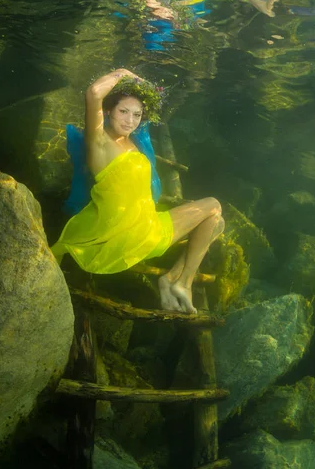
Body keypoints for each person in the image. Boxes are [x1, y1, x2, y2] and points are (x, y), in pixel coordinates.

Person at [51, 69, 224, 314]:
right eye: (123, 111)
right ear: (108, 111)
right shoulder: (99, 143)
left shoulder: (133, 142)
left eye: (137, 115)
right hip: (127, 237)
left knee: (217, 223)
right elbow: (94, 93)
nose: (130, 121)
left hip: (147, 225)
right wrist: (124, 72)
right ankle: (183, 283)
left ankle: (171, 280)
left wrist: (143, 92)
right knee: (213, 204)